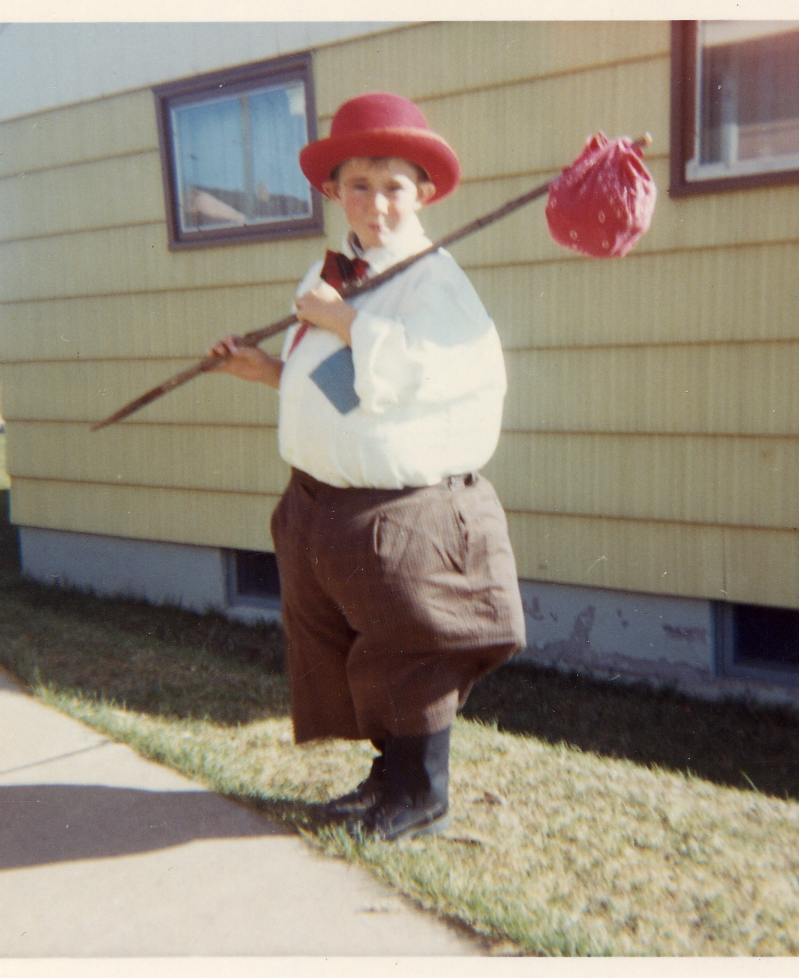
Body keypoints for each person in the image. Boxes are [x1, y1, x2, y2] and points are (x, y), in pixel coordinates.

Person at [208, 92, 525, 842]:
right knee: (360, 649)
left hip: (404, 510)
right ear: (332, 190)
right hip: (326, 505)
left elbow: (425, 371)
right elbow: (350, 391)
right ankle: (390, 777)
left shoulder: (433, 281)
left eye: (393, 187)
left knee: (412, 651)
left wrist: (342, 320)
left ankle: (422, 796)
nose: (376, 204)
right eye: (359, 185)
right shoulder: (336, 273)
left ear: (424, 194)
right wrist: (267, 369)